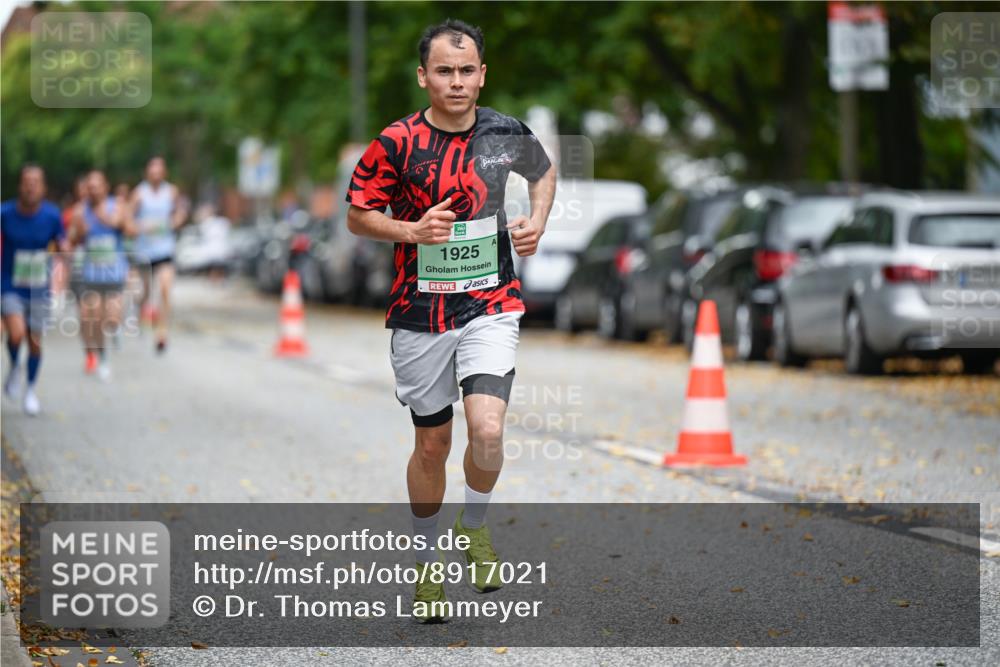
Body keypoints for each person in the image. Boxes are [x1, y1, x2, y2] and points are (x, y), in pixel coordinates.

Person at [346, 19, 556, 622]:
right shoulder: (397, 142)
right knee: (432, 443)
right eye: (444, 71)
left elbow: (542, 173)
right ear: (424, 76)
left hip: (491, 301)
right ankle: (426, 565)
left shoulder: (504, 132)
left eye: (467, 71)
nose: (457, 82)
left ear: (482, 75)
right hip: (419, 312)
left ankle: (475, 527)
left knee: (486, 430)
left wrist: (537, 219)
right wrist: (410, 230)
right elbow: (358, 213)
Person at [1, 165, 66, 415]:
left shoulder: (51, 216)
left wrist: (64, 249)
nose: (31, 186)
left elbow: (61, 246)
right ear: (20, 186)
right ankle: (15, 364)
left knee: (35, 342)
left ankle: (30, 389)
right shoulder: (5, 213)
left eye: (36, 182)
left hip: (39, 287)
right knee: (16, 334)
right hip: (9, 284)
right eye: (27, 181)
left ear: (43, 187)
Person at [69, 170, 130, 381]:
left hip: (114, 273)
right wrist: (79, 232)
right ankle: (101, 357)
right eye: (90, 186)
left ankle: (115, 331)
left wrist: (113, 222)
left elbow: (131, 229)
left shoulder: (118, 206)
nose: (93, 190)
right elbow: (71, 241)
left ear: (106, 187)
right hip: (91, 274)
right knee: (92, 319)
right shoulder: (79, 211)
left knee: (111, 319)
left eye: (97, 186)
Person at [128, 157, 188, 354]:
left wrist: (174, 222)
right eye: (152, 171)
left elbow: (180, 213)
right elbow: (127, 218)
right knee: (144, 293)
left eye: (159, 171)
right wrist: (138, 227)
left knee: (164, 289)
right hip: (145, 251)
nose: (155, 174)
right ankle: (141, 309)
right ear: (147, 173)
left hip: (165, 250)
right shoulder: (139, 193)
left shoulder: (171, 192)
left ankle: (162, 333)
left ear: (164, 173)